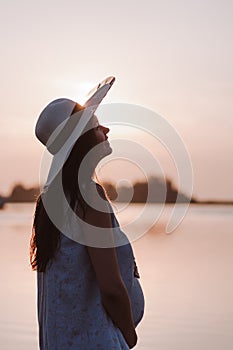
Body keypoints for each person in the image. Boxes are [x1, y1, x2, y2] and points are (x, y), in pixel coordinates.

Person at [30, 77, 144, 350]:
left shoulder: (50, 201)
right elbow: (111, 288)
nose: (105, 128)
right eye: (95, 125)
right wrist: (129, 334)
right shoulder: (88, 197)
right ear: (80, 140)